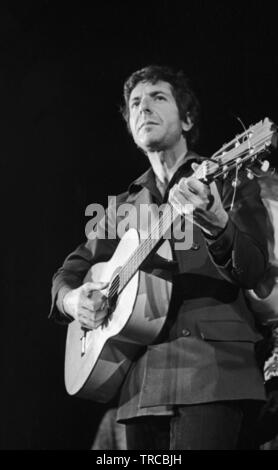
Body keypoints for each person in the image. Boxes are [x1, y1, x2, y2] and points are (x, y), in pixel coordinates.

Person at [50, 65, 271, 450]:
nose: (143, 108)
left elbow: (254, 270)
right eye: (135, 103)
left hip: (215, 373)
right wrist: (74, 300)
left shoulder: (225, 177)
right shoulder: (121, 208)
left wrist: (217, 223)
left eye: (157, 98)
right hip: (140, 389)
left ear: (187, 119)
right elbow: (66, 275)